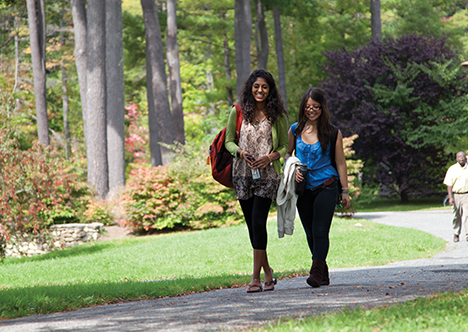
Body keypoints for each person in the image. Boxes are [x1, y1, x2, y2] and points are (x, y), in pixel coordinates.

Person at [225, 69, 289, 293]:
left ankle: (255, 279)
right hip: (242, 173)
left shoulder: (278, 115)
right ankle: (268, 273)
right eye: (256, 86)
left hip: (268, 174)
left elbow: (284, 146)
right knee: (252, 225)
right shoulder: (238, 111)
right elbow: (228, 142)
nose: (260, 90)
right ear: (250, 88)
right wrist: (240, 153)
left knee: (258, 221)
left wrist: (269, 157)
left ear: (270, 90)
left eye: (264, 87)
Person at [285, 87, 350, 288]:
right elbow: (287, 154)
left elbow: (340, 162)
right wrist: (292, 166)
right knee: (310, 233)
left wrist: (345, 191)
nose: (311, 110)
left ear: (323, 108)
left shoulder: (332, 132)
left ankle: (315, 273)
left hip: (327, 185)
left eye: (315, 107)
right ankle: (324, 272)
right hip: (303, 188)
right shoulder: (295, 129)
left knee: (320, 231)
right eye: (307, 107)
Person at [443, 151, 468, 242]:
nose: (461, 158)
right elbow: (449, 185)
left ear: (465, 157)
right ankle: (456, 233)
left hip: (466, 194)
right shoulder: (452, 169)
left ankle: (467, 234)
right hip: (456, 195)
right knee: (456, 216)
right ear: (456, 159)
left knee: (467, 215)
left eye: (462, 156)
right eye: (459, 157)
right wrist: (451, 197)